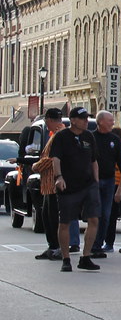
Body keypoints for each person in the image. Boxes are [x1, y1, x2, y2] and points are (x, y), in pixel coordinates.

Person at [49, 107, 102, 272]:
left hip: (88, 185)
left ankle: (85, 257)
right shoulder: (61, 137)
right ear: (73, 120)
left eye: (87, 118)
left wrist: (96, 181)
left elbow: (94, 160)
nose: (86, 121)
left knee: (94, 219)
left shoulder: (89, 136)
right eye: (83, 118)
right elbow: (55, 158)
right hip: (68, 186)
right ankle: (66, 259)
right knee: (65, 222)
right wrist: (59, 177)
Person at [26, 107, 67, 261]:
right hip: (48, 184)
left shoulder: (58, 135)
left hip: (52, 183)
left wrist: (36, 166)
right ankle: (53, 247)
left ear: (49, 120)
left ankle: (56, 248)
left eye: (47, 122)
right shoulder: (57, 134)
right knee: (46, 216)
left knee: (52, 219)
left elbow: (51, 159)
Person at [90, 110, 121, 256]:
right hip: (93, 182)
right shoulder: (90, 137)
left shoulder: (115, 139)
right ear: (100, 122)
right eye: (110, 120)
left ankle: (98, 244)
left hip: (109, 181)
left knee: (106, 214)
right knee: (94, 214)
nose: (113, 122)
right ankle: (91, 244)